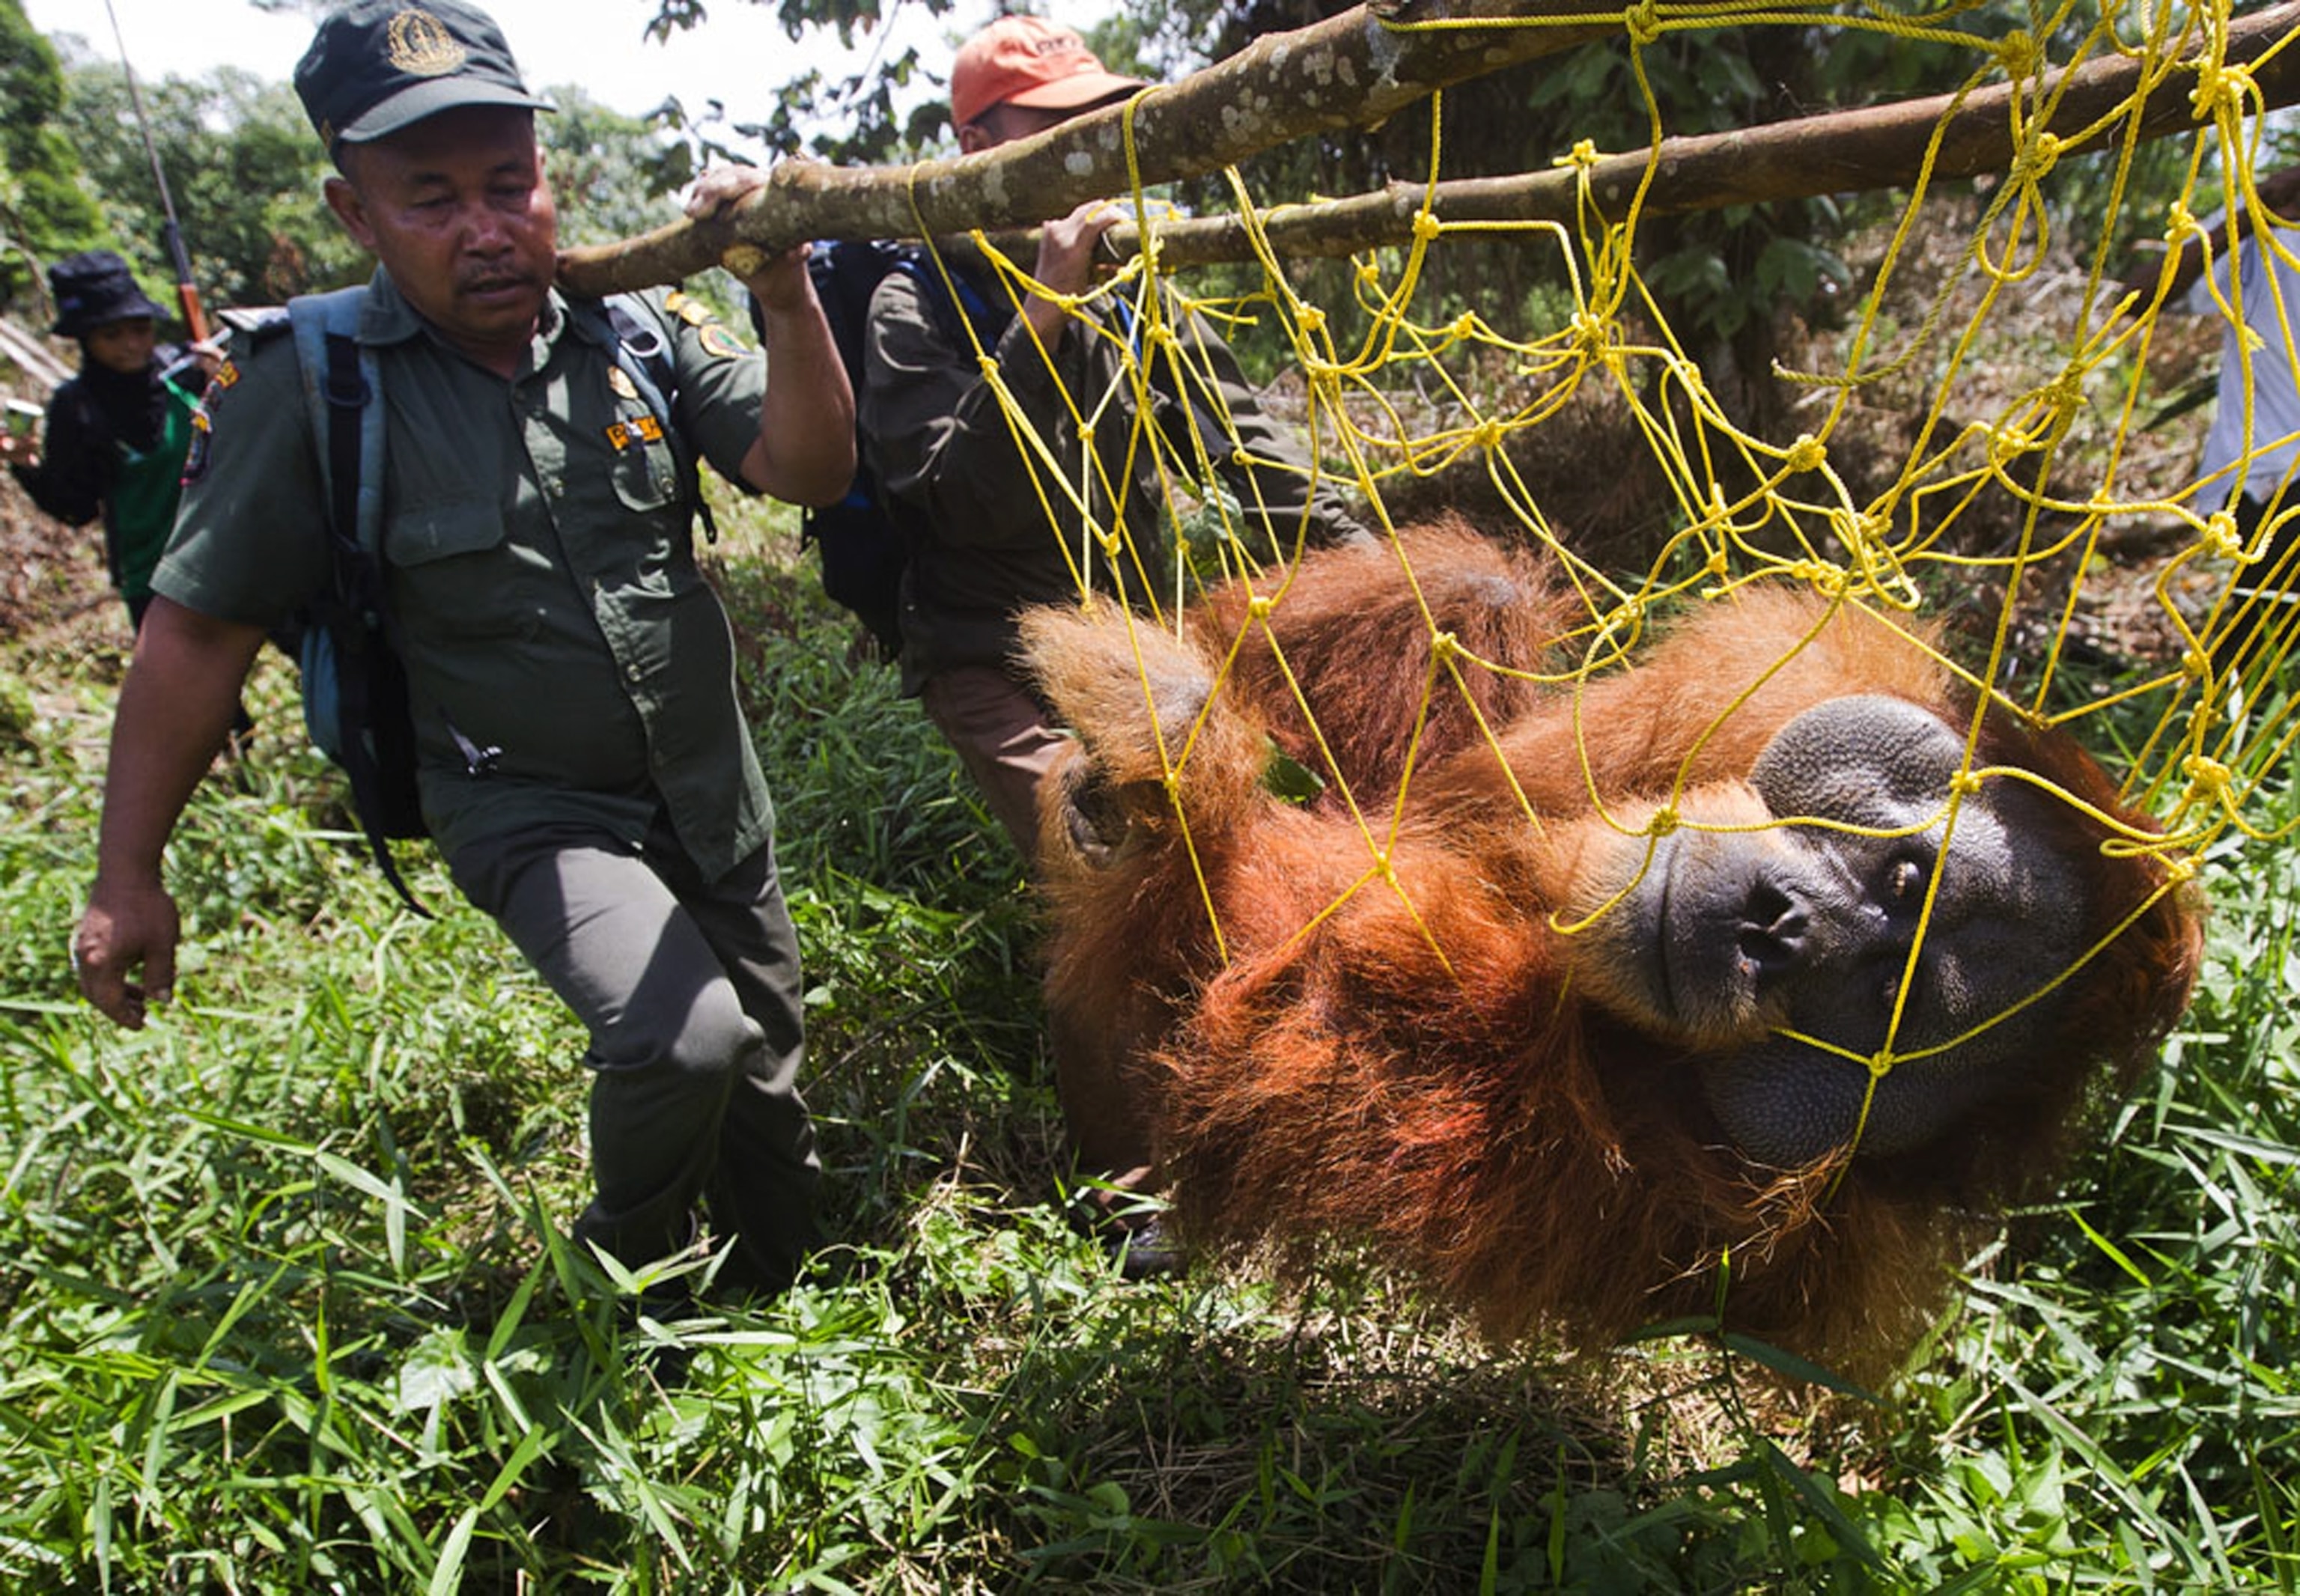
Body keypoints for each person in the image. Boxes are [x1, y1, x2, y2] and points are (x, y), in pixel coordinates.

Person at [67, 0, 855, 1306]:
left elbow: (809, 469)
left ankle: (776, 1301)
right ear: (354, 213)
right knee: (683, 1038)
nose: (488, 228)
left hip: (707, 781)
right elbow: (196, 633)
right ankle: (615, 1287)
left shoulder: (634, 328)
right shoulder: (307, 383)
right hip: (525, 801)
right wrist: (125, 873)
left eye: (511, 184)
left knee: (766, 1062)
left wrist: (784, 294)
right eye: (431, 198)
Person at [858, 14, 1371, 1268]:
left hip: (1140, 645)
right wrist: (1041, 313)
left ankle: (1257, 1123)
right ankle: (1133, 1192)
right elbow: (943, 491)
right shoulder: (910, 297)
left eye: (1109, 129)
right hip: (991, 650)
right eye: (1060, 135)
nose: (1098, 156)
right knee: (1099, 850)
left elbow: (1254, 455)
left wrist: (1381, 580)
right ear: (976, 147)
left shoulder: (1142, 286)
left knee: (1243, 848)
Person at [3, 251, 221, 634]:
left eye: (140, 329)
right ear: (87, 340)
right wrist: (26, 465)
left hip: (230, 555)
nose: (132, 345)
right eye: (112, 335)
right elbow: (76, 506)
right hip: (155, 580)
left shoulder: (188, 373)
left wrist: (229, 384)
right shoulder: (77, 408)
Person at [2144, 161, 2300, 689]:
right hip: (2262, 482)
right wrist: (2251, 211)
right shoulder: (2260, 235)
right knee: (2255, 655)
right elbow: (2143, 296)